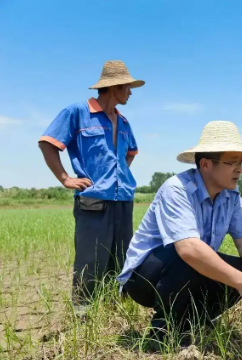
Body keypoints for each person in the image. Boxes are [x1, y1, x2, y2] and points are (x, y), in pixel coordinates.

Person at [117, 120, 242, 346]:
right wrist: (241, 283)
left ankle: (189, 322)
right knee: (189, 255)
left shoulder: (231, 195)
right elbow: (188, 249)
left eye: (241, 163)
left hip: (187, 270)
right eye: (231, 162)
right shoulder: (177, 189)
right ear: (205, 164)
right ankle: (161, 332)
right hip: (146, 279)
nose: (240, 169)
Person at [38, 60, 144, 314]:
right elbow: (47, 142)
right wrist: (65, 178)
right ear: (115, 87)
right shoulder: (78, 112)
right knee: (90, 260)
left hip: (123, 200)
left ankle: (114, 311)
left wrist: (118, 174)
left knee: (121, 258)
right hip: (93, 201)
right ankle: (83, 316)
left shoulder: (124, 122)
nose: (130, 92)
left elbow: (131, 152)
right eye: (128, 87)